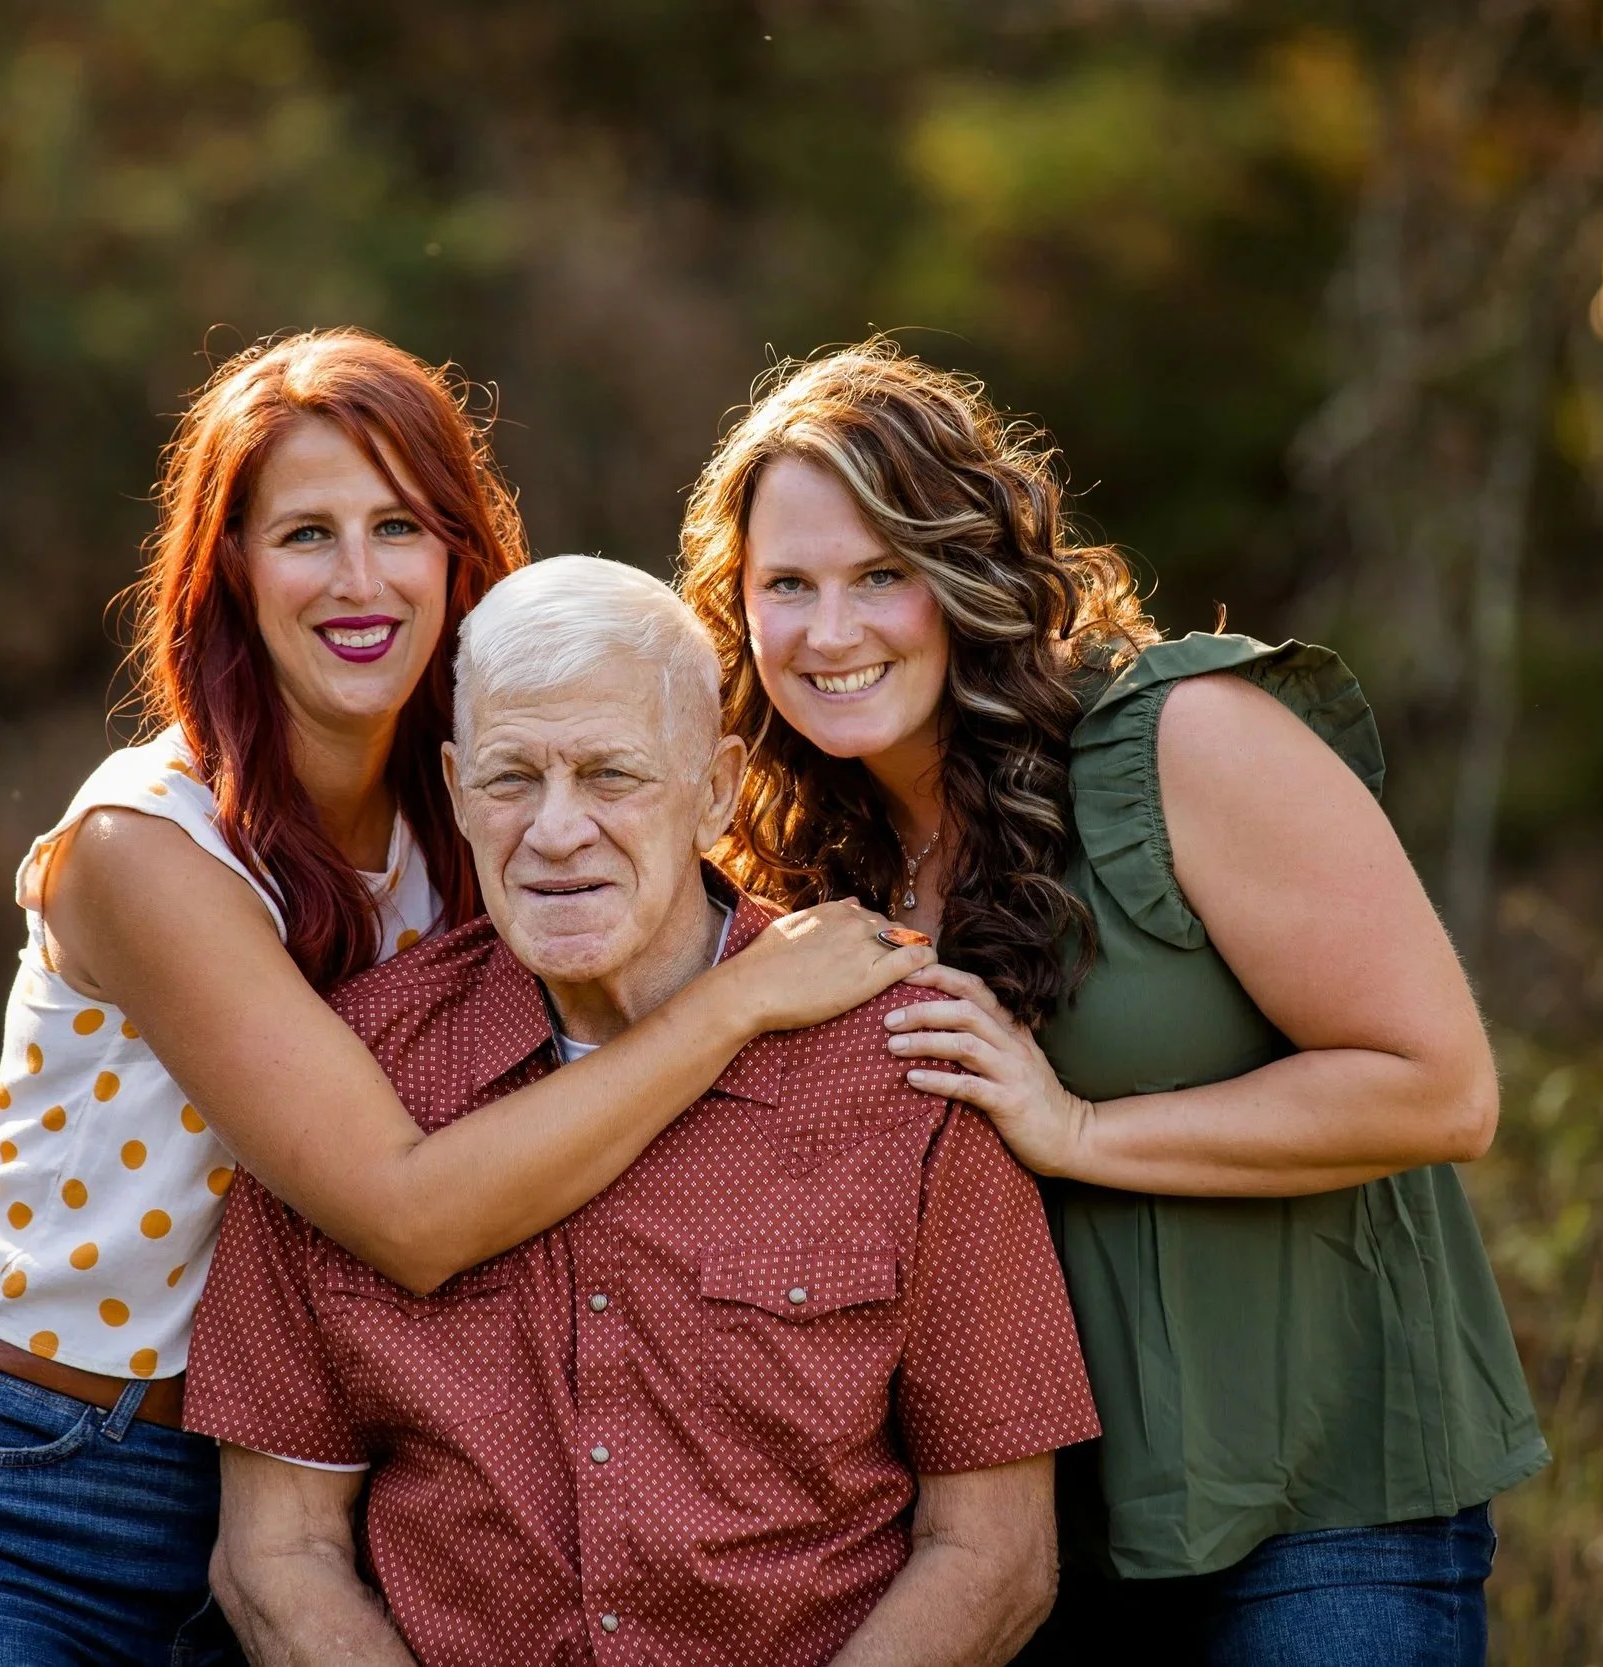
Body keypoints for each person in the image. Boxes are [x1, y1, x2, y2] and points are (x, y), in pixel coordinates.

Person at [0, 334, 932, 1667]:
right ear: (230, 567)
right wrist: (741, 1006)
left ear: (456, 554)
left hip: (307, 1506)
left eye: (397, 525)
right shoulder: (147, 845)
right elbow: (407, 1211)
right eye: (303, 534)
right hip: (30, 1489)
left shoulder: (473, 822)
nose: (357, 578)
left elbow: (668, 882)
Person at [679, 341, 1549, 1665]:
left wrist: (1074, 1128)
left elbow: (1438, 1085)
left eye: (879, 575)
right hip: (1023, 1545)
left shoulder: (1180, 737)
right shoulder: (788, 850)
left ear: (964, 571)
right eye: (783, 585)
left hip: (1319, 1511)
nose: (828, 629)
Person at [185, 555, 1099, 1667]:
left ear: (715, 789)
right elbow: (276, 1555)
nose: (558, 830)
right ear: (455, 783)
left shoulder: (903, 1061)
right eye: (512, 778)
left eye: (612, 774)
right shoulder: (353, 1081)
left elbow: (995, 1552)